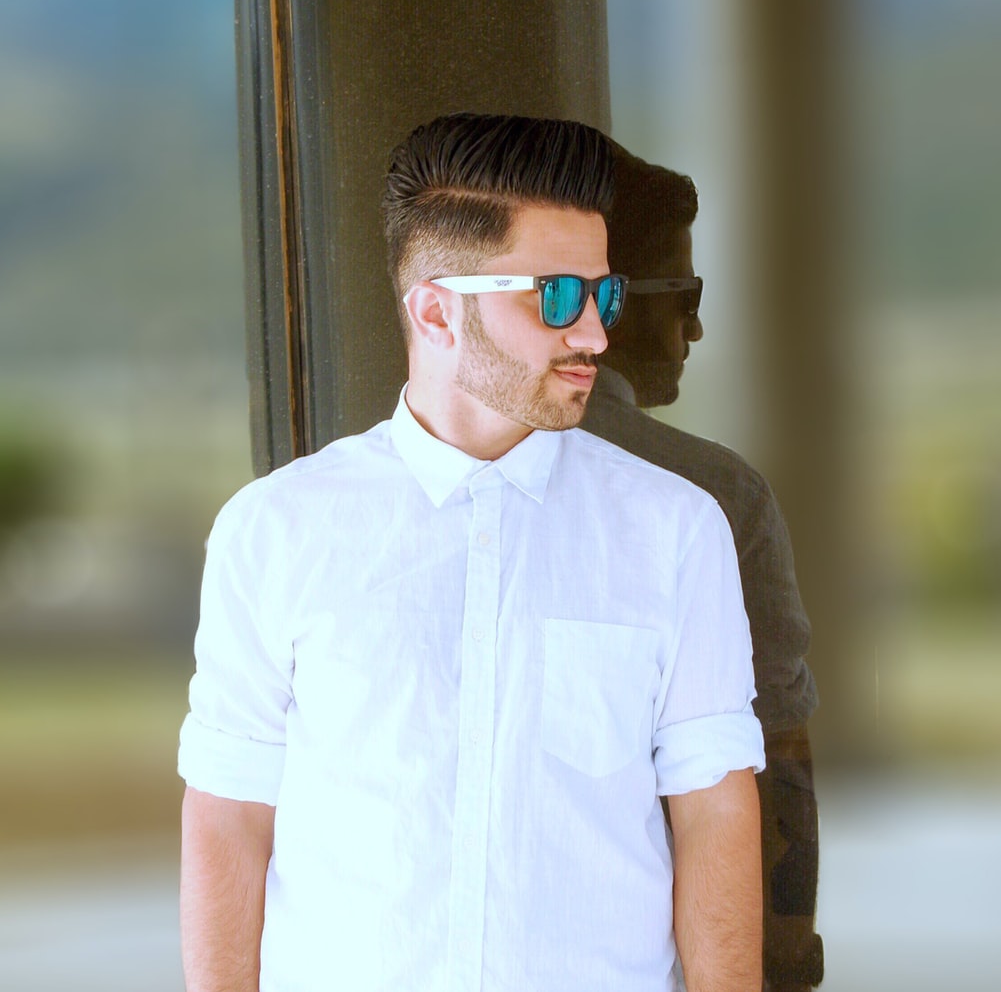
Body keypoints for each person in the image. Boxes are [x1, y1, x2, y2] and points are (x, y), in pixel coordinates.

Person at [179, 113, 766, 992]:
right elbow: (229, 815)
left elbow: (715, 809)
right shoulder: (274, 532)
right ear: (436, 310)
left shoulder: (677, 531)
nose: (596, 337)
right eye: (557, 297)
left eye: (603, 297)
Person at [582, 144, 824, 992]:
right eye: (685, 296)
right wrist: (787, 955)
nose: (694, 328)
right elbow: (777, 762)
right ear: (602, 299)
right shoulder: (716, 494)